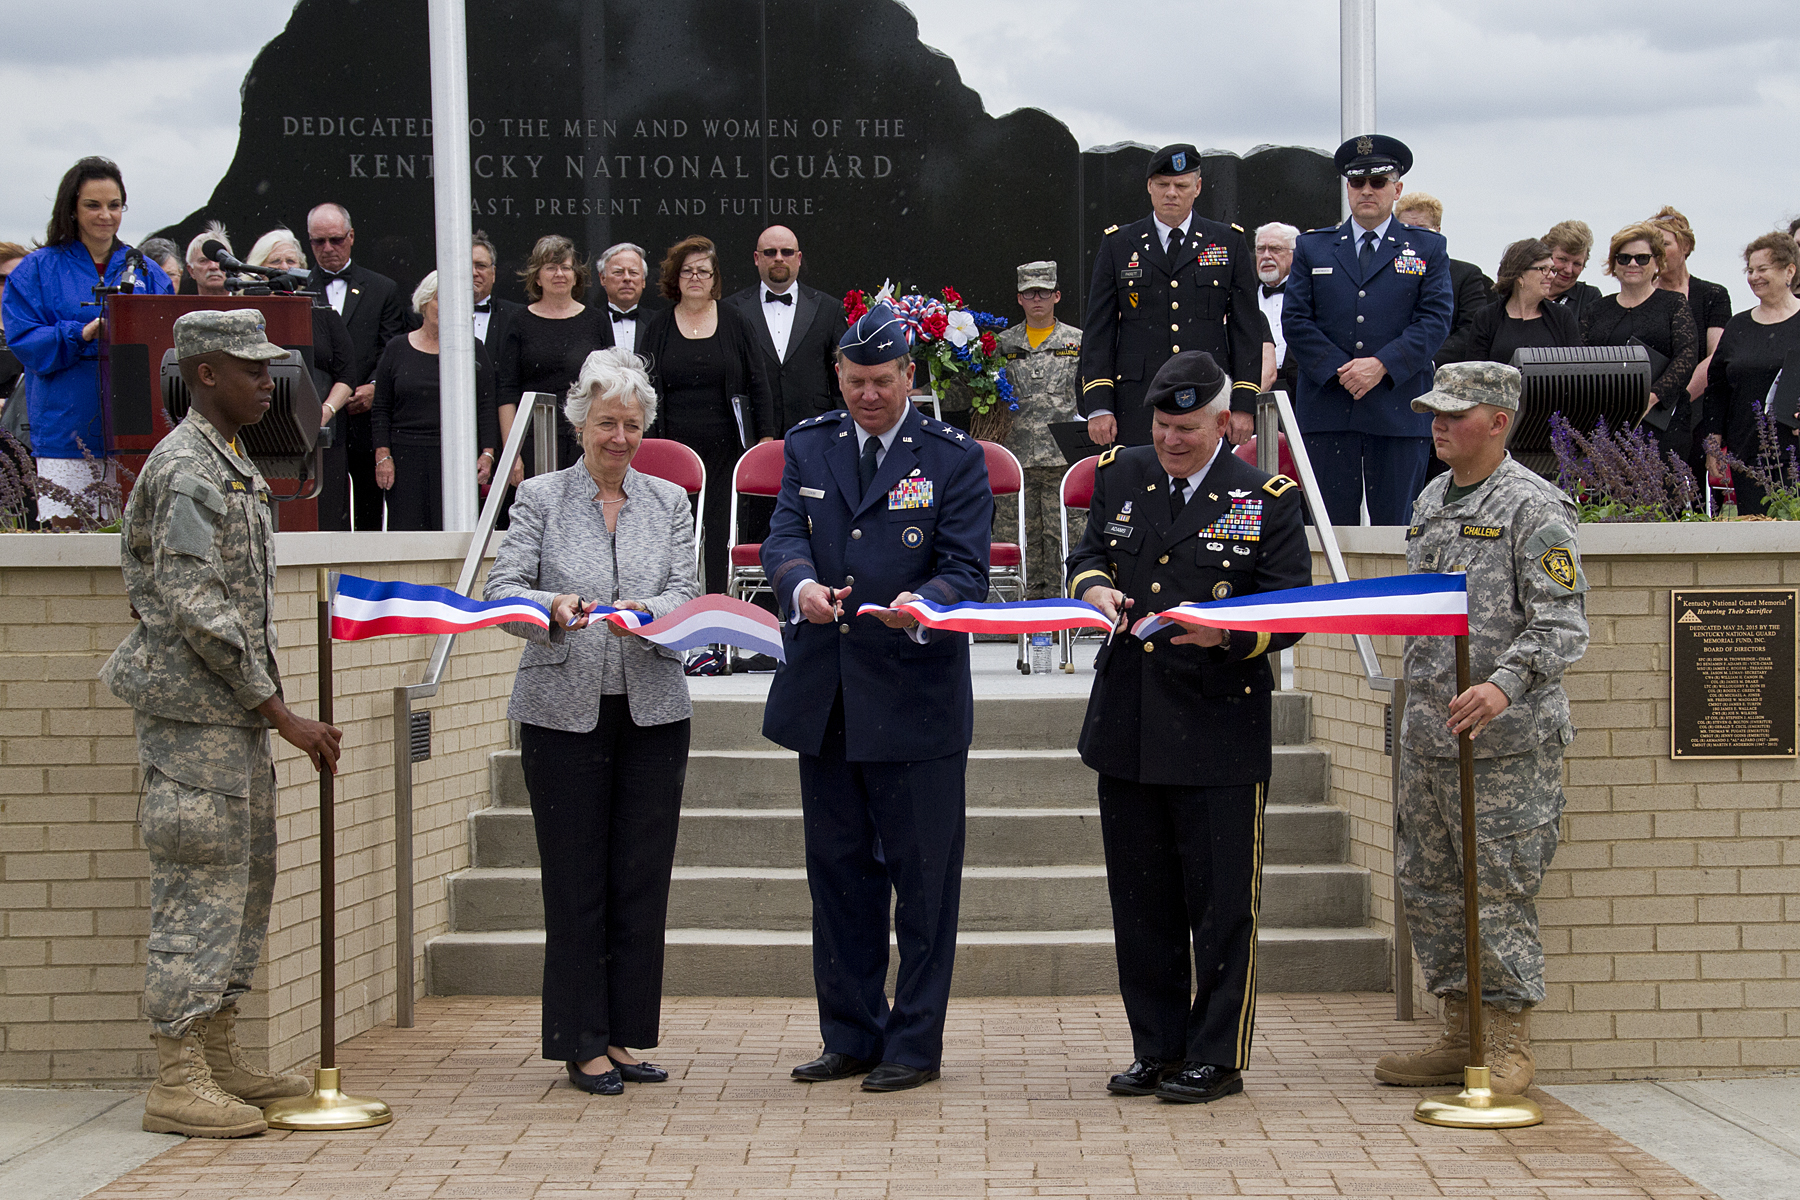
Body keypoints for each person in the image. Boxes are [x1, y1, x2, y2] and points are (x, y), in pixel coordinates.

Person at [100, 309, 343, 1137]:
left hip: (229, 723)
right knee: (197, 892)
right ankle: (177, 1078)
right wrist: (280, 713)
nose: (268, 383)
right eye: (250, 369)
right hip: (195, 726)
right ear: (204, 374)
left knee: (242, 884)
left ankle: (218, 1052)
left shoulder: (230, 460)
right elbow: (196, 607)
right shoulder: (185, 469)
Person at [1064, 352, 1308, 1104]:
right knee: (1142, 905)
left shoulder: (1265, 497)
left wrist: (1227, 635)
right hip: (1130, 721)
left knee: (1221, 906)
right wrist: (1095, 587)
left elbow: (1290, 610)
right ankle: (1158, 1047)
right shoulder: (1120, 473)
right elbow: (1087, 554)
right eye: (1163, 426)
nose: (1171, 440)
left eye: (1189, 429)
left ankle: (1217, 1056)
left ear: (1225, 423)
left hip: (1216, 725)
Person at [762, 303, 991, 1093]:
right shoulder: (809, 445)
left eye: (883, 382)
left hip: (915, 697)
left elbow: (967, 568)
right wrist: (798, 584)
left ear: (908, 376)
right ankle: (851, 1035)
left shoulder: (954, 457)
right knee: (839, 877)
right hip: (826, 698)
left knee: (924, 886)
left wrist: (922, 606)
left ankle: (913, 1045)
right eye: (855, 381)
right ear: (838, 376)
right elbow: (783, 535)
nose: (868, 396)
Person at [483, 346, 701, 1097]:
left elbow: (688, 592)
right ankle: (581, 1041)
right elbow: (503, 591)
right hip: (560, 713)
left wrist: (648, 613)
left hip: (653, 710)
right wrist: (552, 606)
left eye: (632, 424)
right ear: (580, 423)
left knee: (641, 879)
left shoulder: (669, 501)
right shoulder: (540, 497)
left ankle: (624, 1034)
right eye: (607, 422)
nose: (619, 437)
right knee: (575, 880)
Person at [1373, 361, 1588, 1096]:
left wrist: (1502, 686)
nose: (1438, 424)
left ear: (1498, 422)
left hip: (1503, 749)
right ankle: (1458, 1033)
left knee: (1496, 890)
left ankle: (1505, 1044)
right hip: (1430, 739)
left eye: (1454, 413)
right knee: (1430, 888)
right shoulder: (1432, 498)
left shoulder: (1534, 506)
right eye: (1433, 412)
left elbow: (1563, 624)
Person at [1283, 135, 1453, 526]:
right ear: (1348, 188)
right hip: (1329, 407)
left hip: (1397, 407)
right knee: (1330, 532)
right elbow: (1296, 319)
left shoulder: (1427, 248)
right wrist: (1341, 370)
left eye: (1378, 182)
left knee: (1397, 531)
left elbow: (1435, 319)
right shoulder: (1313, 247)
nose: (1366, 191)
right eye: (1357, 182)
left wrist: (1381, 365)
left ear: (1397, 188)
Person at [1, 156, 173, 527]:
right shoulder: (36, 269)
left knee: (137, 540)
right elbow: (23, 339)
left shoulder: (148, 272)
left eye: (115, 205)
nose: (105, 215)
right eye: (93, 205)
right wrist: (79, 333)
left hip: (137, 433)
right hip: (66, 434)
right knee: (70, 543)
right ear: (72, 209)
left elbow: (169, 343)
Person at [1079, 143, 1263, 449]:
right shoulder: (1119, 243)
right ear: (1149, 187)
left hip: (1208, 395)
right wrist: (1099, 406)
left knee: (1208, 477)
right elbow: (1099, 329)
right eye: (1163, 184)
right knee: (1141, 477)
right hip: (1137, 401)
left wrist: (1244, 403)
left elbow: (1246, 330)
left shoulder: (1227, 242)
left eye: (1181, 185)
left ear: (1198, 187)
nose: (1171, 193)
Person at [638, 234, 772, 593]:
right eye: (687, 271)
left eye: (703, 271)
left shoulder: (736, 321)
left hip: (726, 450)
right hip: (672, 451)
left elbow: (758, 382)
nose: (695, 277)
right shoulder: (658, 327)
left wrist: (765, 438)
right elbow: (642, 388)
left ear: (714, 279)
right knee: (674, 531)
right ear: (675, 278)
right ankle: (673, 603)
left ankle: (716, 602)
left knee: (719, 530)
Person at [305, 202, 408, 531]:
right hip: (316, 415)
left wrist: (375, 387)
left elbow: (391, 348)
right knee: (320, 510)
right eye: (318, 241)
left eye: (335, 239)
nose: (327, 248)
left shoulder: (382, 288)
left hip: (366, 418)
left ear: (351, 237)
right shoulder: (298, 289)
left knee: (369, 508)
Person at [371, 270, 500, 530]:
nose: (448, 307)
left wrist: (488, 453)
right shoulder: (396, 348)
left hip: (458, 456)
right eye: (441, 299)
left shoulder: (472, 348)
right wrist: (383, 457)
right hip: (405, 457)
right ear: (424, 302)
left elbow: (486, 405)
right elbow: (381, 408)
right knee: (408, 536)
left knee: (455, 535)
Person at [994, 260, 1083, 598]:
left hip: (1063, 459)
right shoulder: (1002, 345)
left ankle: (1068, 608)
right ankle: (1016, 611)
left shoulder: (1078, 341)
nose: (1036, 299)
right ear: (1019, 298)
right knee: (1017, 538)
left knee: (1066, 537)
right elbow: (977, 392)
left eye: (1043, 292)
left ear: (1057, 295)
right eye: (1029, 293)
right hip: (1016, 459)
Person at [495, 234, 613, 486]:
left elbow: (610, 386)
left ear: (576, 276)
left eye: (566, 267)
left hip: (587, 439)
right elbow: (506, 391)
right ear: (537, 277)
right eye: (550, 267)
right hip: (533, 440)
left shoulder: (596, 321)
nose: (559, 274)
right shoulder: (519, 322)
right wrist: (512, 454)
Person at [1580, 222, 1700, 461]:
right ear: (1614, 264)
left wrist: (1652, 397)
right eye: (1624, 258)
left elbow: (1687, 356)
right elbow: (1581, 359)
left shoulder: (1674, 304)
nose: (1632, 264)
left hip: (1661, 422)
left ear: (1656, 263)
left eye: (1642, 258)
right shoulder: (1596, 310)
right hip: (1606, 421)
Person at [1700, 232, 1800, 516]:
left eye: (1762, 269)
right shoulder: (1737, 325)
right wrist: (1713, 445)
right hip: (1748, 455)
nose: (1754, 277)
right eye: (1750, 270)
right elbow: (1717, 389)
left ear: (1789, 271)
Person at [724, 224, 848, 434]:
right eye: (770, 252)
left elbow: (842, 375)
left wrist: (842, 428)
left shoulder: (829, 309)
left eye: (787, 252)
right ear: (756, 258)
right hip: (755, 430)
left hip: (815, 428)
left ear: (798, 258)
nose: (779, 258)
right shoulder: (732, 309)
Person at [243, 229, 357, 435]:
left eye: (291, 261)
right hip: (256, 429)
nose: (284, 267)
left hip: (317, 428)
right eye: (275, 261)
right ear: (257, 269)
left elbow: (347, 374)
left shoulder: (323, 312)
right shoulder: (245, 315)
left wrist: (325, 411)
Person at [1437, 239, 1580, 366]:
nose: (1551, 276)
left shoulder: (1562, 316)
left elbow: (1576, 368)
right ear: (1520, 275)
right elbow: (1476, 372)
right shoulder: (1486, 318)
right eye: (1543, 269)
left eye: (1552, 270)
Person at [1648, 207, 1732, 415]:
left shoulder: (1713, 295)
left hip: (1698, 408)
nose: (1657, 252)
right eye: (1652, 246)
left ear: (1685, 246)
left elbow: (1716, 356)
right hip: (1648, 408)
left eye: (1664, 244)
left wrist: (1675, 401)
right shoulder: (1642, 296)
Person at [1394, 191, 1495, 340]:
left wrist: (1425, 355)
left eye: (1422, 228)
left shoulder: (1466, 275)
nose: (1414, 235)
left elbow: (1471, 331)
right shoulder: (1381, 273)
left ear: (1437, 231)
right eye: (1407, 228)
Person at [1253, 223, 1299, 396]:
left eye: (1275, 249)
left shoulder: (1309, 295)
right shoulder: (1242, 296)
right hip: (1253, 391)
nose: (1266, 256)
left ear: (1294, 254)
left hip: (1297, 394)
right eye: (1260, 249)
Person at [596, 242, 659, 356]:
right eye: (618, 272)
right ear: (603, 278)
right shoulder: (591, 322)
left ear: (643, 281)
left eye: (633, 272)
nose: (627, 278)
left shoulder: (658, 322)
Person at [1541, 220, 1604, 325]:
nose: (1568, 270)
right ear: (1546, 256)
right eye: (1562, 259)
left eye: (1577, 264)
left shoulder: (1589, 297)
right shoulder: (1525, 292)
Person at [472, 230, 523, 354]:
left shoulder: (517, 316)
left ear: (493, 273)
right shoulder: (435, 314)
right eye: (465, 265)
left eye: (481, 265)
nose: (473, 273)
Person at [185, 223, 234, 298]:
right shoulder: (181, 305)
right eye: (203, 261)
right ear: (191, 271)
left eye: (219, 259)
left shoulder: (249, 304)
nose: (213, 266)